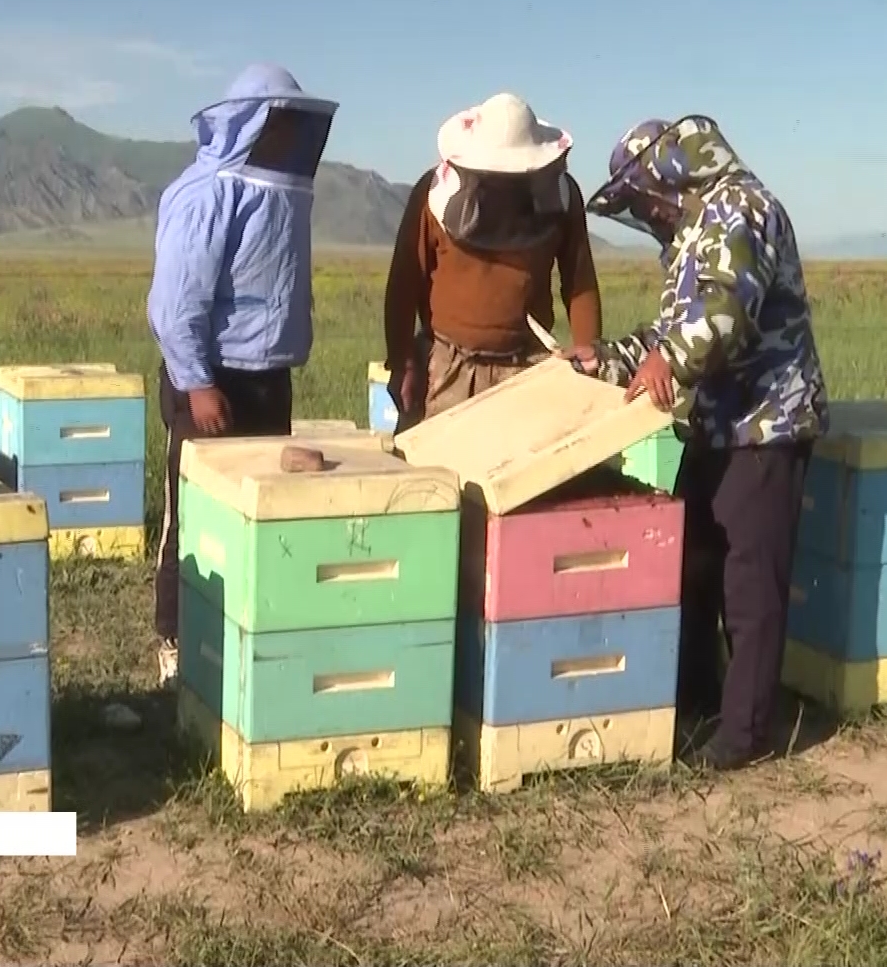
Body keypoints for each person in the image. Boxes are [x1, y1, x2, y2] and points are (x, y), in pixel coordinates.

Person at [563, 114, 829, 771]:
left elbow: (725, 313)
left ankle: (745, 735)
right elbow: (669, 333)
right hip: (717, 423)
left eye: (645, 197)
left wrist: (669, 361)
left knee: (749, 584)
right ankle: (701, 702)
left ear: (672, 172)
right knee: (695, 562)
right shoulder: (696, 231)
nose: (647, 212)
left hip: (766, 424)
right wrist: (604, 360)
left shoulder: (741, 208)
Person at [146, 63, 337, 687]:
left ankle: (252, 649)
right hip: (212, 385)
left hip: (267, 380)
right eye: (280, 119)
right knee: (194, 522)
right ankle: (176, 644)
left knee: (261, 522)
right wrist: (199, 385)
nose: (289, 132)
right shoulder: (208, 194)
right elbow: (175, 304)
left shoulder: (279, 193)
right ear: (252, 120)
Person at [382, 94, 603, 432]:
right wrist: (403, 362)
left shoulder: (562, 196)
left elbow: (579, 281)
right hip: (447, 366)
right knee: (436, 463)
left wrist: (591, 356)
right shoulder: (432, 193)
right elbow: (404, 282)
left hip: (528, 366)